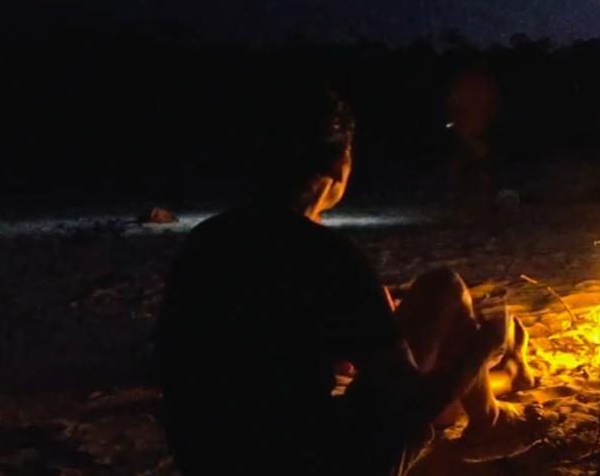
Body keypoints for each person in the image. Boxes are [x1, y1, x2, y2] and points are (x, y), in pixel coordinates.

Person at [156, 87, 538, 475]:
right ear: (341, 164)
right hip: (306, 463)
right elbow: (412, 405)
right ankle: (490, 420)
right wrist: (482, 346)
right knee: (445, 291)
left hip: (203, 458)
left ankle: (499, 392)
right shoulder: (326, 254)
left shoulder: (205, 241)